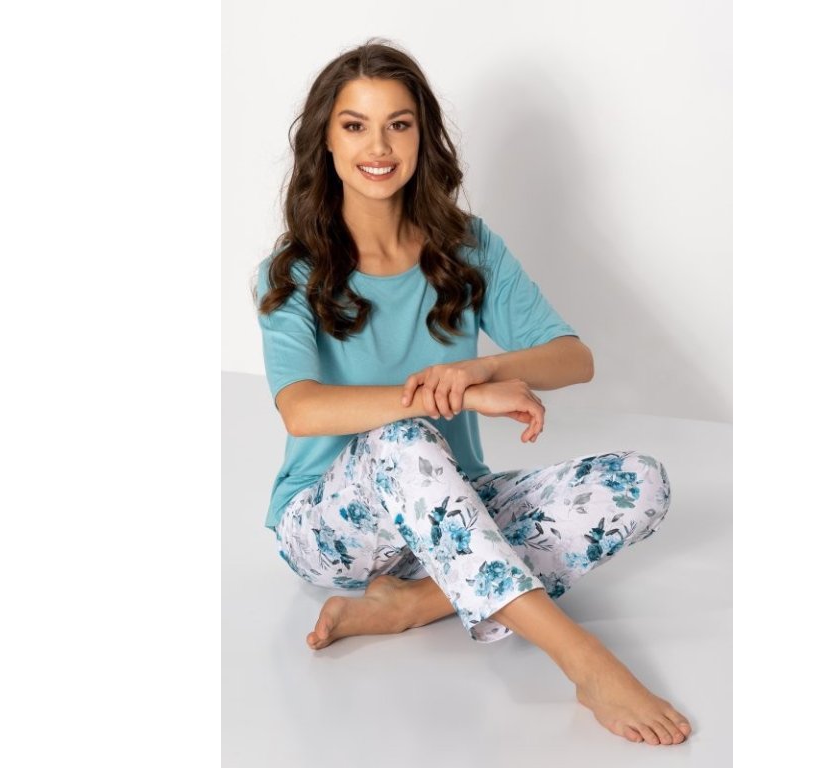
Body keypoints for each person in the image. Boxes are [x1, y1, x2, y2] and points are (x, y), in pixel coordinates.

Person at [252, 38, 692, 747]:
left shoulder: (466, 246)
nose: (378, 147)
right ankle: (584, 661)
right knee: (402, 437)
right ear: (325, 142)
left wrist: (481, 373)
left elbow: (573, 358)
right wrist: (447, 399)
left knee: (638, 482)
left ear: (422, 135)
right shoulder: (293, 271)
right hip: (330, 529)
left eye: (398, 124)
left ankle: (415, 603)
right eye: (355, 125)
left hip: (450, 508)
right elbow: (301, 408)